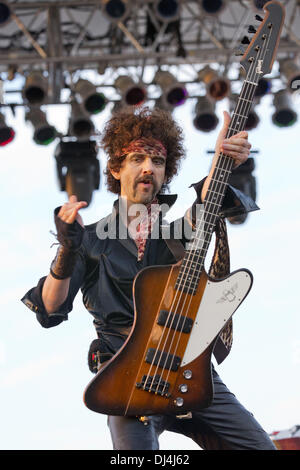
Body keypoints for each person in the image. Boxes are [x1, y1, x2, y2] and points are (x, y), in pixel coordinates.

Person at [21, 106, 276, 450]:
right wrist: (67, 248)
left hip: (191, 370)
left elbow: (206, 206)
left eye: (157, 162)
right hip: (127, 376)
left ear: (165, 172)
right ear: (115, 167)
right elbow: (51, 307)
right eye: (137, 158)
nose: (148, 167)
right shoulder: (92, 240)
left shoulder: (175, 234)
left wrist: (222, 160)